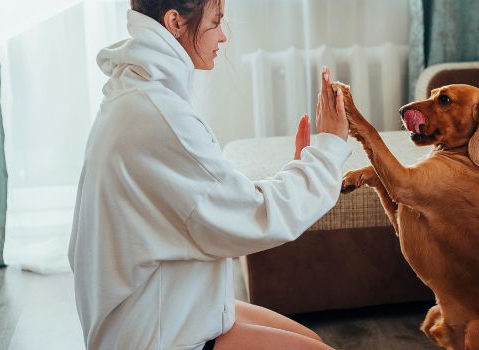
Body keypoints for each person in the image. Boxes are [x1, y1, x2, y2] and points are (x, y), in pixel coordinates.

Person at [67, 0, 351, 348]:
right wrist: (330, 148)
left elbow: (206, 200)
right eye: (216, 23)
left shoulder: (137, 93)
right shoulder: (158, 115)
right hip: (155, 333)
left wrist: (302, 167)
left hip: (162, 305)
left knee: (308, 338)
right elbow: (253, 216)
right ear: (174, 21)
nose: (223, 37)